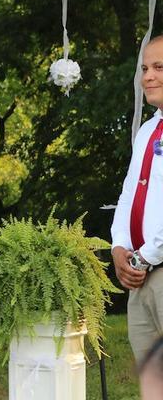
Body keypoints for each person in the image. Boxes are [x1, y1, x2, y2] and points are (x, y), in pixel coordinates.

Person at [111, 36, 163, 365]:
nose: (148, 76)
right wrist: (119, 246)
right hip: (139, 277)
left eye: (159, 67)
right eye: (145, 68)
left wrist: (143, 257)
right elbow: (129, 192)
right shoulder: (147, 131)